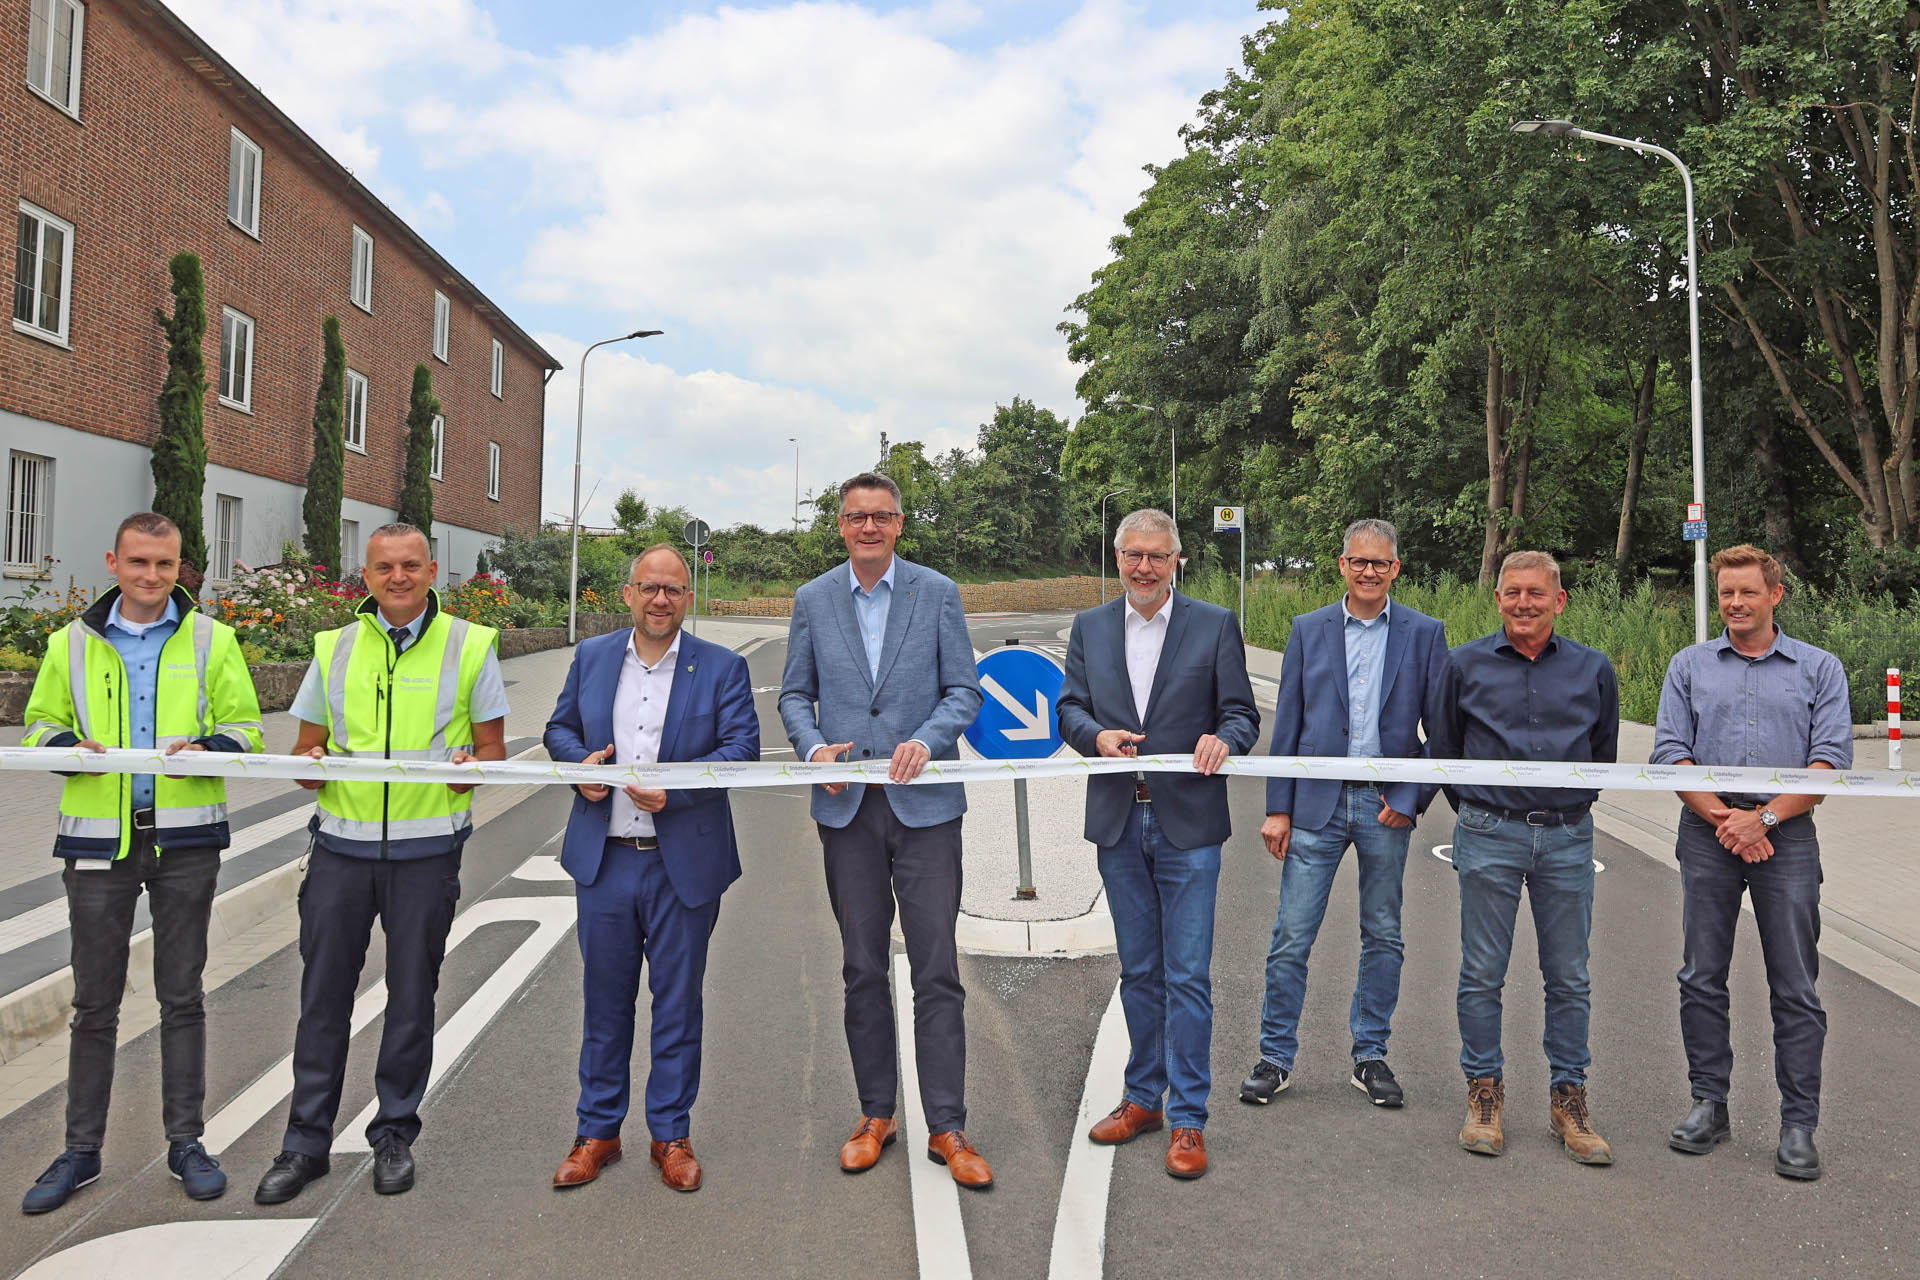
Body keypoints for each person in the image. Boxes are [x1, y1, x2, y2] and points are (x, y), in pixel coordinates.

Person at [254, 523, 508, 1205]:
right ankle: (304, 1142)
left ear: (432, 572)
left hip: (427, 855)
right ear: (364, 575)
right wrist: (305, 765)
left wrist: (468, 773)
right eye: (383, 566)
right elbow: (307, 757)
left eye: (410, 566)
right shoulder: (332, 648)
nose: (397, 577)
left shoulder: (470, 644)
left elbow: (490, 755)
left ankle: (393, 1133)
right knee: (322, 1000)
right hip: (340, 851)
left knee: (410, 1001)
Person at [19, 512, 264, 1214]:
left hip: (185, 841)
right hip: (99, 844)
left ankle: (186, 1143)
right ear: (113, 562)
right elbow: (37, 724)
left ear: (181, 566)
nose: (150, 576)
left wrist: (210, 747)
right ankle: (80, 1152)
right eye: (137, 563)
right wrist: (67, 741)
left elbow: (246, 729)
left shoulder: (213, 639)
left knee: (182, 998)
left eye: (164, 564)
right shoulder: (70, 643)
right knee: (93, 1005)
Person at [777, 472, 990, 1188]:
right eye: (856, 517)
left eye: (882, 516)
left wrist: (927, 740)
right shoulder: (812, 600)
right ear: (840, 525)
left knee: (936, 971)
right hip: (847, 811)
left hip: (925, 808)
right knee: (862, 968)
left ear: (900, 524)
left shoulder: (937, 593)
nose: (869, 527)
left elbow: (964, 690)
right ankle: (876, 1115)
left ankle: (948, 1126)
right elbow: (795, 694)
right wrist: (812, 751)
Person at [543, 545, 758, 1193]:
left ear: (688, 598)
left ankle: (671, 1134)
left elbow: (741, 749)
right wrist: (581, 766)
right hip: (605, 861)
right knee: (604, 1003)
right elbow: (556, 730)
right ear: (628, 593)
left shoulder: (721, 667)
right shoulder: (592, 657)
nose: (660, 599)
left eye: (673, 589)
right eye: (649, 587)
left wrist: (678, 792)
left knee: (677, 1004)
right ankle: (597, 1132)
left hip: (681, 864)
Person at [1057, 508, 1260, 1180]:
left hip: (1190, 826)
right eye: (1132, 555)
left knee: (1187, 976)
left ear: (1178, 560)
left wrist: (1224, 738)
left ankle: (1189, 1120)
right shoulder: (1089, 627)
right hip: (1120, 822)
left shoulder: (1213, 625)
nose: (1144, 567)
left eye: (1157, 556)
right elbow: (1069, 708)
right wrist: (1094, 738)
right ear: (1117, 559)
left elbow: (1241, 713)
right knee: (1139, 972)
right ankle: (1144, 1097)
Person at [1652, 544, 1850, 1181]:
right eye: (1726, 593)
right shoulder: (1689, 665)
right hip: (1707, 829)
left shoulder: (1820, 670)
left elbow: (1827, 767)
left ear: (1775, 595)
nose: (1735, 604)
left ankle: (1799, 1123)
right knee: (1700, 976)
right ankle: (1709, 1104)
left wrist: (1761, 819)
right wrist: (1725, 820)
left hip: (1786, 836)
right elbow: (1670, 756)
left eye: (1747, 592)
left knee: (1795, 986)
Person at [1240, 518, 1449, 1109]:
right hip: (1316, 804)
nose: (1369, 572)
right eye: (1359, 561)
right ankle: (1275, 1057)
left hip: (1385, 805)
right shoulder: (1308, 630)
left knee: (1382, 934)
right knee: (1291, 935)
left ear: (1396, 570)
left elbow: (1441, 730)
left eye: (1380, 563)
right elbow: (1290, 724)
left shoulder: (1425, 633)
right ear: (1341, 565)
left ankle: (1370, 1055)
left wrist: (1409, 801)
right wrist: (1277, 807)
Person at [1430, 550, 1618, 1165]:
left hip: (1567, 838)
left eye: (1536, 594)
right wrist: (1477, 809)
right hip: (1489, 832)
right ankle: (1484, 1091)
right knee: (1482, 972)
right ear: (1498, 598)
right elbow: (1446, 748)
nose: (1523, 604)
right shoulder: (1463, 665)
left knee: (1569, 976)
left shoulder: (1593, 669)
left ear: (1558, 601)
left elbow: (1604, 751)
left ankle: (1570, 1097)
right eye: (1512, 593)